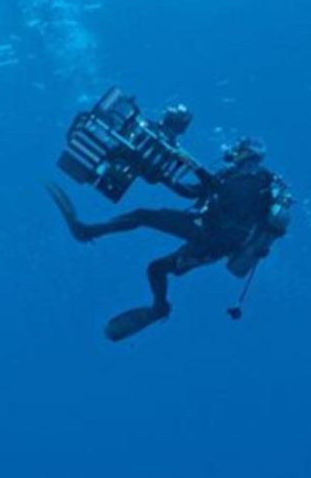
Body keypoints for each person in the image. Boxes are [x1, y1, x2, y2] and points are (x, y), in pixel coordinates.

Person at [46, 135, 292, 341]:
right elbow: (190, 192)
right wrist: (163, 177)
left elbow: (228, 199)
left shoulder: (260, 181)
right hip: (201, 228)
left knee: (155, 263)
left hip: (215, 242)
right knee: (152, 253)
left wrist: (197, 171)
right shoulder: (228, 175)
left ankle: (157, 307)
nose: (234, 152)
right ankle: (158, 306)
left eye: (239, 150)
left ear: (248, 154)